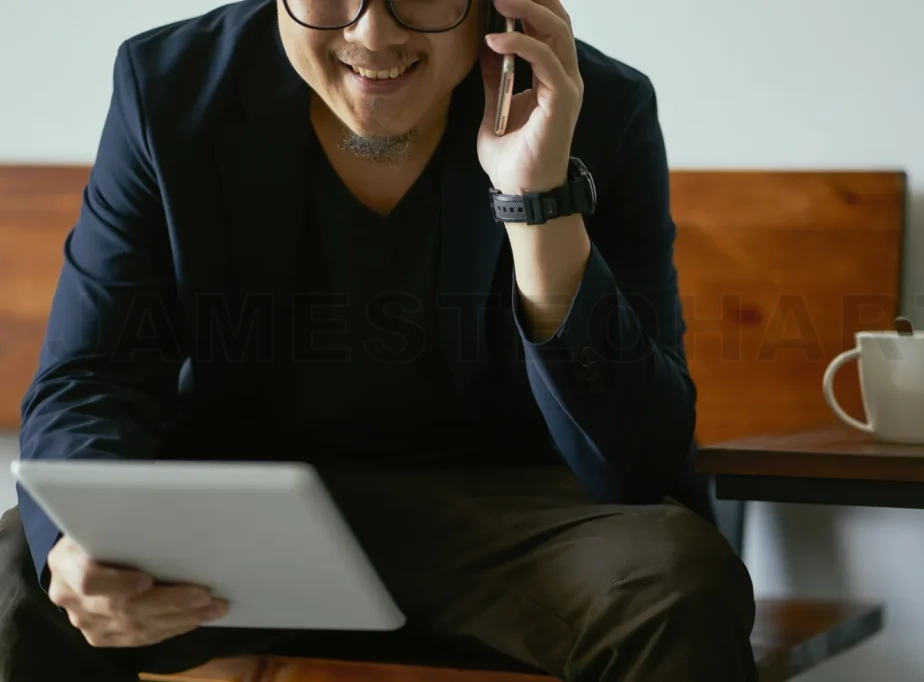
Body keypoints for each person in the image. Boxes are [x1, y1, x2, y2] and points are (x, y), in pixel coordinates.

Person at [0, 0, 758, 680]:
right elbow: (92, 372)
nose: (373, 32)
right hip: (243, 530)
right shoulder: (168, 86)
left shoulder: (596, 106)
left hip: (519, 528)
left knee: (674, 584)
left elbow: (639, 461)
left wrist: (540, 202)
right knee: (21, 573)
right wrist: (76, 540)